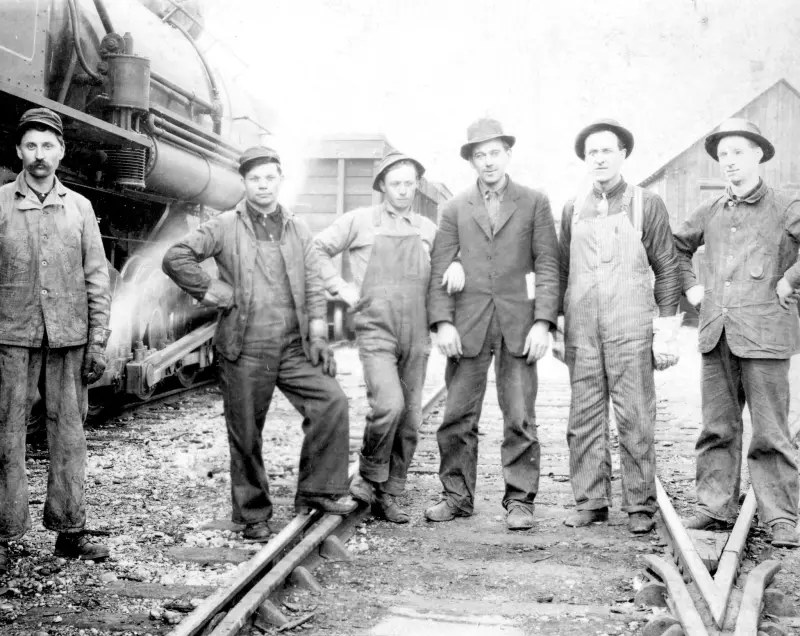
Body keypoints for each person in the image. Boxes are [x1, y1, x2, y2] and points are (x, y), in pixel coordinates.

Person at [162, 146, 357, 542]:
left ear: (280, 180)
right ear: (245, 183)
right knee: (246, 432)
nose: (263, 185)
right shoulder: (224, 225)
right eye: (255, 179)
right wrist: (215, 292)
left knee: (331, 402)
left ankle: (318, 491)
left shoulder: (297, 228)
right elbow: (176, 256)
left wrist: (319, 333)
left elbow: (315, 283)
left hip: (293, 346)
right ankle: (253, 514)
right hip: (246, 346)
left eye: (270, 177)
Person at [425, 118, 560, 531]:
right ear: (471, 160)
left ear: (508, 154)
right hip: (468, 324)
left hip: (519, 324)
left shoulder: (534, 202)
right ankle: (456, 496)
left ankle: (520, 501)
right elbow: (438, 268)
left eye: (494, 152)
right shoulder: (454, 208)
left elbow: (549, 266)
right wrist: (442, 324)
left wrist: (543, 323)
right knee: (456, 417)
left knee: (519, 416)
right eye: (479, 154)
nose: (488, 161)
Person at [673, 119, 800, 548]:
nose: (729, 162)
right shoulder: (710, 210)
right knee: (717, 428)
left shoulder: (785, 204)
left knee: (771, 432)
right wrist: (690, 285)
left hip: (766, 333)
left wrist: (791, 279)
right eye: (723, 154)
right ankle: (715, 507)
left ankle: (781, 515)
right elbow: (676, 246)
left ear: (759, 155)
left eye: (738, 152)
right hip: (716, 334)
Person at [0, 108, 112, 572]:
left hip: (68, 336)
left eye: (48, 146)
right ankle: (5, 535)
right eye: (31, 146)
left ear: (61, 152)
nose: (39, 155)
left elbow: (97, 278)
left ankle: (69, 532)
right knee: (5, 437)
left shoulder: (80, 208)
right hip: (12, 336)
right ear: (19, 151)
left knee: (69, 436)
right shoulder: (1, 202)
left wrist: (98, 342)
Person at [559, 119, 682, 535]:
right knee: (584, 416)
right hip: (583, 329)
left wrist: (666, 330)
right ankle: (591, 501)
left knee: (635, 416)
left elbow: (667, 268)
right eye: (592, 152)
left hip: (630, 326)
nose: (599, 158)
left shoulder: (647, 204)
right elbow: (560, 270)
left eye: (606, 150)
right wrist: (560, 325)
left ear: (622, 154)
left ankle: (640, 506)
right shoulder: (571, 208)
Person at [314, 150, 437, 523]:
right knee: (389, 406)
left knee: (412, 419)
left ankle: (389, 492)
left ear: (417, 186)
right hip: (376, 328)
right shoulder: (359, 221)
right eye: (395, 183)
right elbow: (314, 250)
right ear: (382, 186)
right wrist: (337, 284)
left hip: (416, 331)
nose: (403, 190)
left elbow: (451, 266)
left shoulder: (429, 229)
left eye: (409, 183)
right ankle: (368, 475)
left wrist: (459, 266)